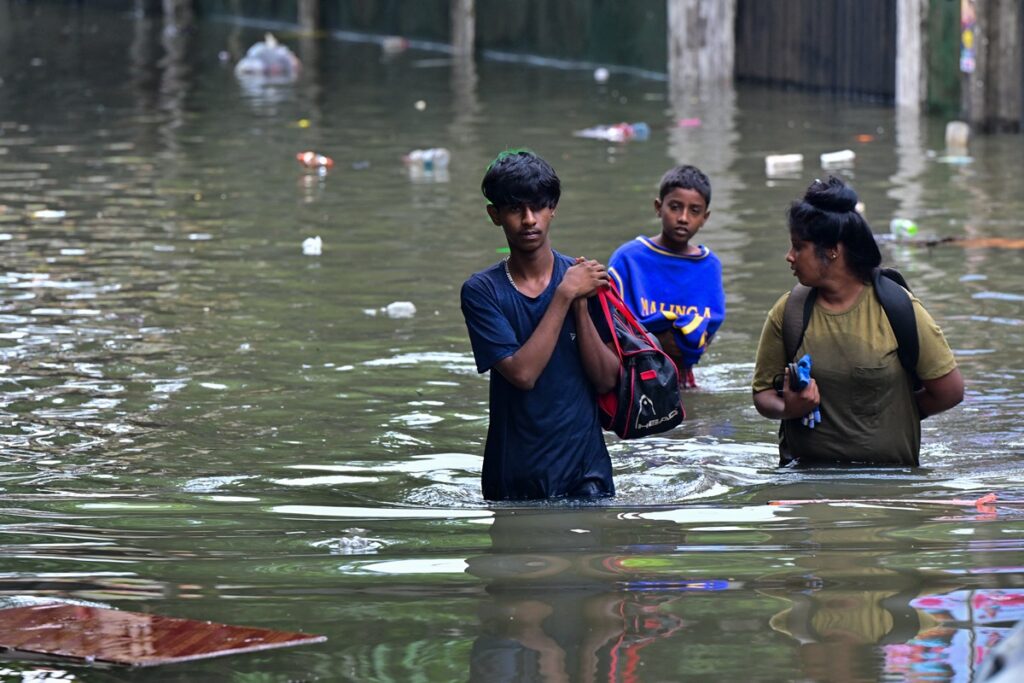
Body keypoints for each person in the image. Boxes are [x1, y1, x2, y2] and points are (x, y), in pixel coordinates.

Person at [751, 176, 964, 466]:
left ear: (832, 250)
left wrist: (890, 413)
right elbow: (763, 394)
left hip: (890, 483)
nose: (789, 256)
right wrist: (790, 408)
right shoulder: (789, 312)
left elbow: (949, 392)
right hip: (807, 482)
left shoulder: (897, 308)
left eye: (798, 247)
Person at [460, 150, 620, 501]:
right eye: (515, 209)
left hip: (587, 473)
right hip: (516, 477)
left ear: (553, 209)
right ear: (495, 215)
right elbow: (523, 374)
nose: (529, 219)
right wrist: (563, 295)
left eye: (537, 207)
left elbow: (607, 379)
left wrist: (580, 304)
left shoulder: (585, 278)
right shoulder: (482, 291)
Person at [608, 165, 725, 388]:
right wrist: (658, 342)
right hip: (635, 373)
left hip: (683, 377)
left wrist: (690, 343)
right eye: (675, 207)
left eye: (694, 211)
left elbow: (709, 327)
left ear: (705, 217)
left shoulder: (709, 266)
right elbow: (610, 323)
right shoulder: (628, 259)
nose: (683, 218)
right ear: (658, 207)